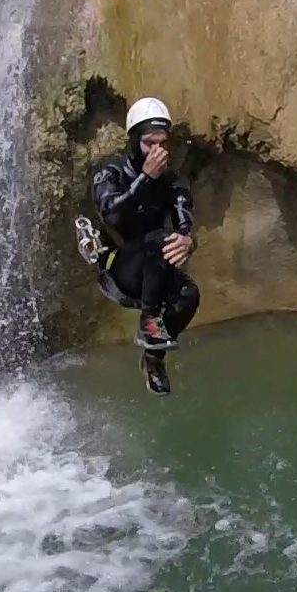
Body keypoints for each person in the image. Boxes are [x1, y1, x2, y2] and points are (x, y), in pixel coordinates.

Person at [74, 96, 200, 396]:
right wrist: (145, 178)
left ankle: (153, 359)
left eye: (163, 143)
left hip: (152, 270)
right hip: (118, 270)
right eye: (149, 143)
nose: (157, 151)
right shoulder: (111, 173)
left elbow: (184, 223)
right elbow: (111, 214)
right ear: (133, 142)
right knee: (156, 239)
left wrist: (186, 241)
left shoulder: (173, 181)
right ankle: (149, 321)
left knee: (189, 294)